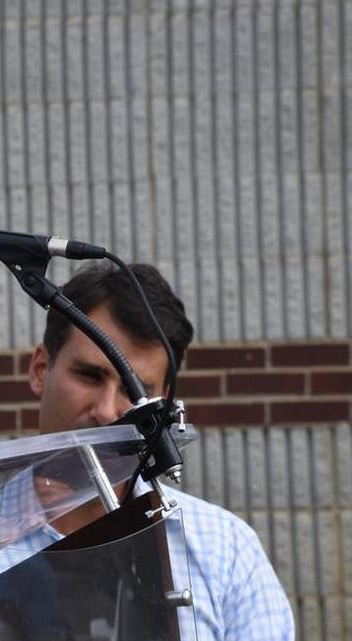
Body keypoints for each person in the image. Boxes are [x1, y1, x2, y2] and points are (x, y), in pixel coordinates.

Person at [21, 263, 294, 640]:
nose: (106, 410)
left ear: (162, 401)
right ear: (40, 369)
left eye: (135, 391)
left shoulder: (224, 551)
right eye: (89, 375)